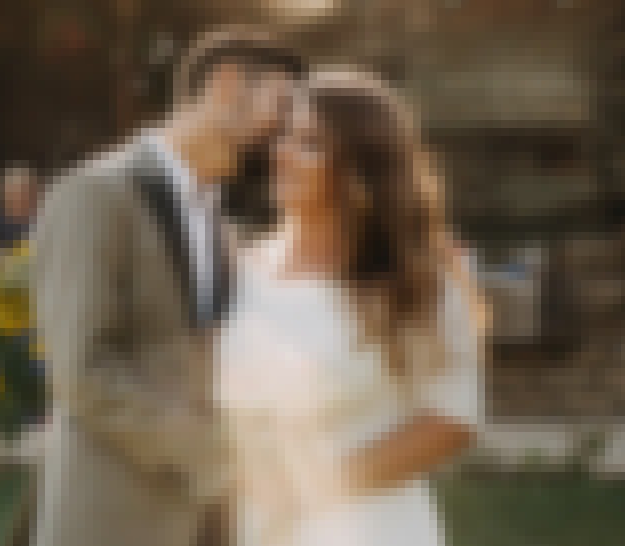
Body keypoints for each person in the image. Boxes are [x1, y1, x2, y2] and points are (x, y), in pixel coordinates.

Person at [24, 27, 304, 546]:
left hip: (209, 523)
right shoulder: (93, 194)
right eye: (282, 105)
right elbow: (81, 371)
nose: (286, 129)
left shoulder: (221, 224)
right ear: (225, 85)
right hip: (111, 517)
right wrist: (221, 456)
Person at [216, 70, 484, 546]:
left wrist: (307, 487)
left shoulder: (417, 279)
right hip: (253, 528)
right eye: (284, 135)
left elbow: (451, 422)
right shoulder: (242, 270)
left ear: (360, 168)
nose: (281, 153)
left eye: (309, 142)